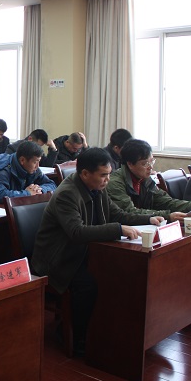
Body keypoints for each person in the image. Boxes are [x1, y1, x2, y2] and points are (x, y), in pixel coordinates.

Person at [32, 147, 163, 354]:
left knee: (120, 273)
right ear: (85, 173)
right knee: (90, 284)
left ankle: (109, 329)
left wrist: (149, 219)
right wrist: (118, 229)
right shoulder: (67, 194)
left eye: (109, 174)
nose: (107, 179)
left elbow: (117, 214)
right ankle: (76, 336)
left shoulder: (97, 187)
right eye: (103, 175)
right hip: (60, 259)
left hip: (85, 251)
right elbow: (76, 232)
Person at [106, 139, 191, 221]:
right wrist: (167, 216)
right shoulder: (115, 183)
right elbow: (130, 212)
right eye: (145, 164)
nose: (150, 167)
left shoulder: (145, 179)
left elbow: (165, 202)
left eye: (152, 161)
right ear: (130, 164)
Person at [0, 141, 57, 206]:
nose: (37, 166)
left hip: (17, 207)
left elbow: (52, 185)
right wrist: (27, 193)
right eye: (35, 162)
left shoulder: (33, 169)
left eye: (39, 161)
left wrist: (39, 190)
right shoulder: (2, 169)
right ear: (22, 160)